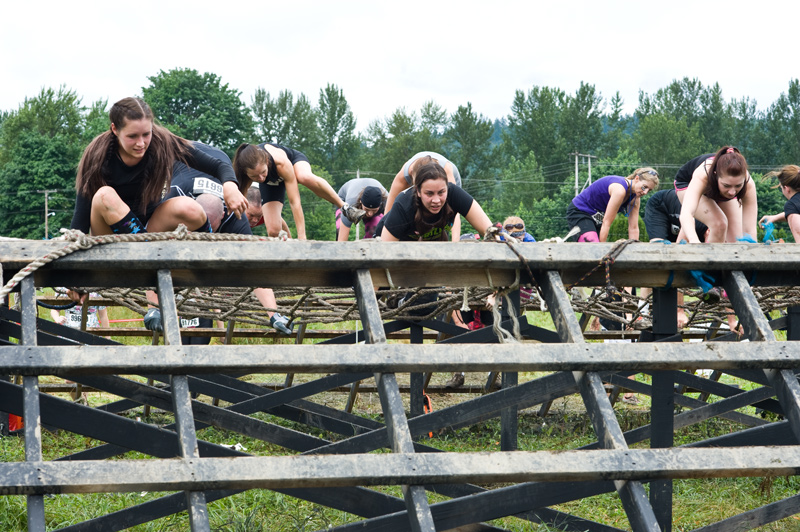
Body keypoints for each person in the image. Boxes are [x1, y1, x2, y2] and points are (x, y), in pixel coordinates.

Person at [70, 97, 247, 235]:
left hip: (149, 229)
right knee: (104, 195)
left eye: (146, 134)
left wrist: (230, 185)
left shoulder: (162, 142)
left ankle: (203, 253)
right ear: (115, 129)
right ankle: (143, 253)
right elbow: (80, 221)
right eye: (132, 136)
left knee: (190, 207)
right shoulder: (97, 154)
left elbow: (217, 166)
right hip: (109, 233)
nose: (141, 143)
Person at [232, 143, 364, 240]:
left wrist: (302, 237)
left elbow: (294, 202)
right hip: (272, 183)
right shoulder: (243, 172)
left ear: (267, 161)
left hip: (293, 162)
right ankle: (289, 251)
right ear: (246, 173)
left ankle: (345, 207)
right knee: (273, 231)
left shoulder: (281, 163)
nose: (261, 178)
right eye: (254, 177)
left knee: (303, 176)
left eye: (263, 172)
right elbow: (238, 201)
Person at [380, 161, 492, 241]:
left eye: (441, 192)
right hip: (398, 240)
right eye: (429, 193)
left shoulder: (454, 193)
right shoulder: (404, 205)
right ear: (418, 191)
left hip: (434, 239)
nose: (436, 200)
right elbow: (385, 251)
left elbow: (490, 230)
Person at [675, 146, 757, 244]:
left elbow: (750, 231)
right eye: (726, 185)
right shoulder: (702, 175)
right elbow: (686, 214)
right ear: (716, 175)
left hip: (717, 191)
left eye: (738, 186)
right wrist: (694, 241)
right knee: (719, 224)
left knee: (736, 239)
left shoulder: (748, 184)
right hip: (687, 184)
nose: (732, 192)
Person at [567, 168, 660, 242]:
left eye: (649, 190)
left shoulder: (635, 199)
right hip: (581, 211)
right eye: (644, 187)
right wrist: (602, 251)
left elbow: (633, 228)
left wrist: (634, 251)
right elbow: (607, 222)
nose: (645, 192)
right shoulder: (619, 190)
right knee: (592, 245)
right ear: (636, 179)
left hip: (597, 218)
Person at [385, 152, 463, 240]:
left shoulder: (447, 171)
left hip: (447, 177)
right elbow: (388, 214)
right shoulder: (403, 177)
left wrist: (455, 243)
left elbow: (455, 212)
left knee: (442, 222)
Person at [759, 165, 800, 243]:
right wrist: (774, 217)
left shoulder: (791, 205)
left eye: (781, 188)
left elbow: (798, 233)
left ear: (786, 189)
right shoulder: (794, 206)